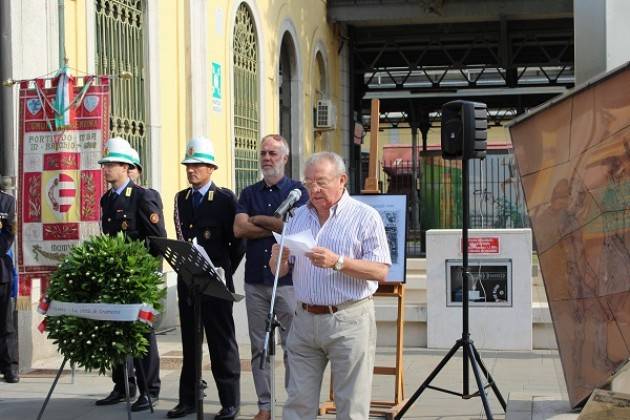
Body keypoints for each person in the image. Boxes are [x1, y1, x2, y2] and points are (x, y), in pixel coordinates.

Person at [270, 152, 391, 420]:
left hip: (348, 320)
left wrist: (338, 262)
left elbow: (381, 270)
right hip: (303, 320)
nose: (314, 189)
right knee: (298, 404)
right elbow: (280, 271)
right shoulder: (296, 217)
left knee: (351, 405)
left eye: (321, 182)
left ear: (342, 180)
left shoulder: (365, 217)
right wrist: (278, 260)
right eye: (308, 182)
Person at [168, 137, 245, 420]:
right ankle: (188, 399)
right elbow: (180, 238)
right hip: (190, 282)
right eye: (189, 165)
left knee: (221, 343)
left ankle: (230, 402)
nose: (191, 170)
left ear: (211, 168)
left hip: (217, 281)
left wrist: (224, 271)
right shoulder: (181, 198)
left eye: (198, 165)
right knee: (190, 343)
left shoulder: (225, 199)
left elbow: (237, 245)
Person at [233, 134, 308, 420]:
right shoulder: (249, 193)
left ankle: (293, 404)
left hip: (288, 283)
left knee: (293, 346)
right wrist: (277, 226)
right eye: (263, 153)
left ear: (285, 158)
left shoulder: (298, 192)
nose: (267, 158)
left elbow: (296, 229)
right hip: (255, 281)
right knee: (258, 346)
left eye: (273, 154)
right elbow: (240, 229)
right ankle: (265, 406)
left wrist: (259, 220)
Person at [96, 137, 166, 412]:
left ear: (126, 167)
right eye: (105, 164)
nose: (106, 169)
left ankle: (150, 389)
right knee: (117, 330)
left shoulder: (141, 196)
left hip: (139, 277)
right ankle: (123, 385)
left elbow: (159, 240)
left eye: (111, 164)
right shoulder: (107, 199)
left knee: (142, 334)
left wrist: (144, 271)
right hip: (116, 277)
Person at [0, 184, 18, 383]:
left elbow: (9, 233)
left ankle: (10, 368)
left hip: (0, 269)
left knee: (5, 323)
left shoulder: (7, 201)